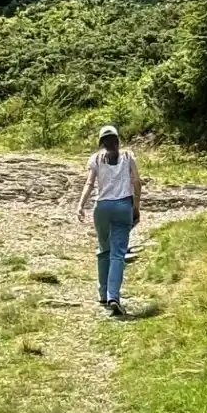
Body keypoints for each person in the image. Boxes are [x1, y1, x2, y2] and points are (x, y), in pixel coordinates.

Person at [76, 124, 143, 315]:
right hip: (123, 206)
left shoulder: (96, 159)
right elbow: (137, 182)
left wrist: (80, 205)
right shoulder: (128, 156)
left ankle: (102, 293)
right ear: (118, 141)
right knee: (118, 253)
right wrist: (136, 207)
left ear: (101, 143)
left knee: (103, 249)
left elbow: (89, 183)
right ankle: (114, 295)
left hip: (102, 207)